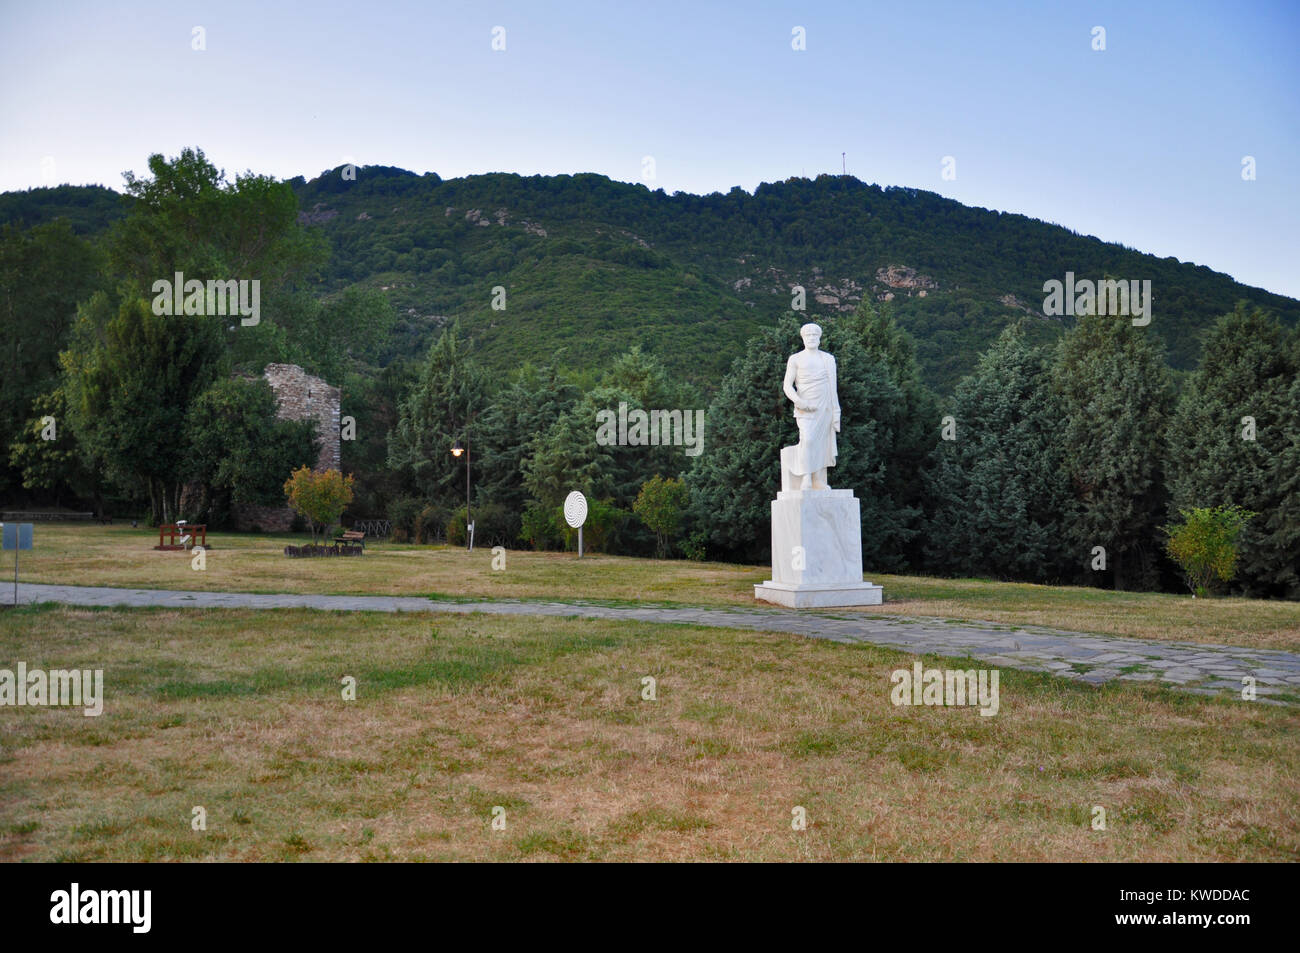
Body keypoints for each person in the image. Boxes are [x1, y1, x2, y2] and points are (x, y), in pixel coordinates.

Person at [782, 322, 841, 490]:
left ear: (819, 338)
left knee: (822, 442)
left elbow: (833, 388)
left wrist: (836, 412)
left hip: (825, 407)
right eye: (808, 335)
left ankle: (818, 480)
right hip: (805, 407)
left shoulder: (828, 359)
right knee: (807, 440)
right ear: (803, 338)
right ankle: (806, 477)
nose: (812, 338)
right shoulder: (796, 359)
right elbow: (787, 385)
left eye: (815, 335)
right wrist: (800, 402)